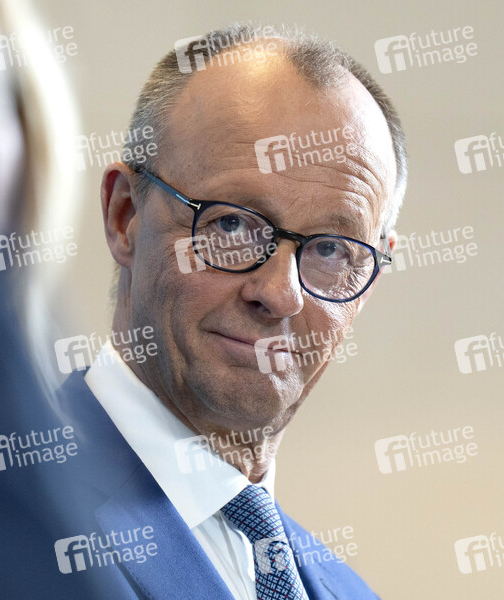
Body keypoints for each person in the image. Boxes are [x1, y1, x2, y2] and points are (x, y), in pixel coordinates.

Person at [46, 23, 405, 599]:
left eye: (330, 250)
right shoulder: (4, 519)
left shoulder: (349, 591)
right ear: (124, 217)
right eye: (232, 224)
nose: (280, 294)